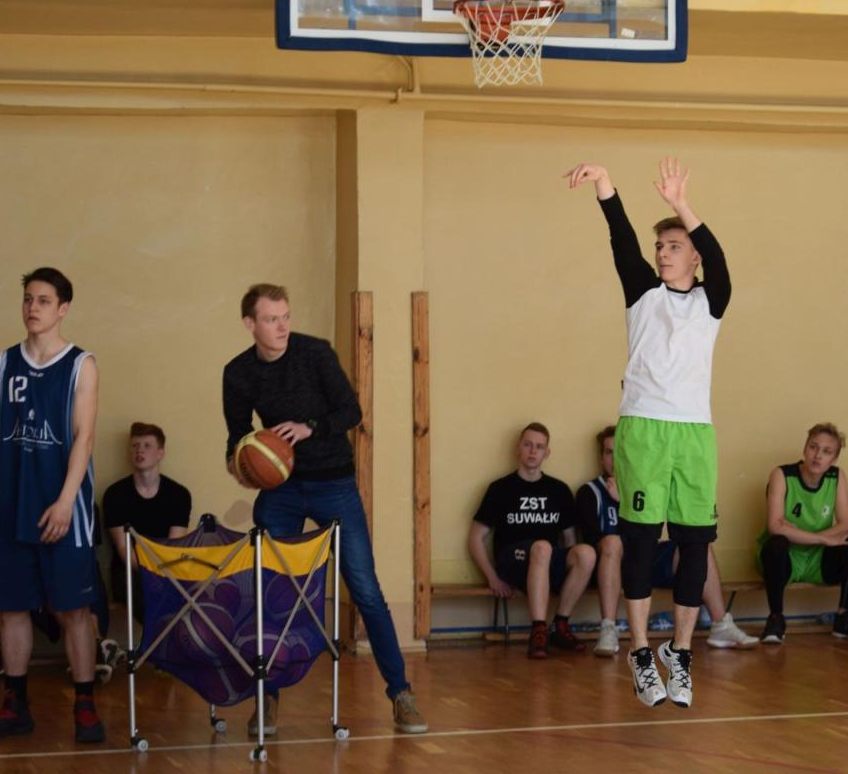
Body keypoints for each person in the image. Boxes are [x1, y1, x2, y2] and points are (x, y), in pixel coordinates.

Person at [223, 283, 426, 736]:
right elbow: (237, 437)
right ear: (249, 324)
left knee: (366, 590)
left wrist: (309, 427)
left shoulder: (314, 353)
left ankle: (401, 693)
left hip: (334, 483)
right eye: (271, 319)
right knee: (268, 592)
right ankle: (266, 698)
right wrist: (240, 466)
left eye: (285, 317)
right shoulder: (237, 372)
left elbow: (351, 411)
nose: (281, 326)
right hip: (281, 489)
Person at [565, 157, 729, 709]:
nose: (663, 253)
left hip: (695, 434)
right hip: (644, 429)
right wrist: (605, 185)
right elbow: (621, 239)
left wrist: (681, 204)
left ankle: (679, 652)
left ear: (694, 256)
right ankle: (640, 652)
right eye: (661, 246)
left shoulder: (711, 301)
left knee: (695, 545)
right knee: (639, 541)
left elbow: (721, 258)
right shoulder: (642, 293)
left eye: (675, 246)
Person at [0, 267, 105, 743]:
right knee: (12, 609)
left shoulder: (82, 364)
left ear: (63, 309)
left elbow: (85, 439)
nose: (32, 307)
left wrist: (65, 502)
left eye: (43, 300)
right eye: (27, 298)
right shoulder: (1, 364)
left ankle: (85, 706)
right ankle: (15, 705)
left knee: (74, 610)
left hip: (64, 509)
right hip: (15, 507)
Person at [577, 425, 757, 657]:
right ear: (601, 458)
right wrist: (622, 504)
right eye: (609, 452)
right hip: (612, 565)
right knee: (613, 542)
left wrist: (625, 499)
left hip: (647, 558)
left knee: (697, 545)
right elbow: (592, 541)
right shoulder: (590, 491)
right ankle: (608, 628)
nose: (615, 459)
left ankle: (720, 624)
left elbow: (661, 530)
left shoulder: (650, 484)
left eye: (619, 452)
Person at [470, 423, 595, 659]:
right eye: (528, 445)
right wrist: (492, 577)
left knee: (586, 552)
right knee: (542, 546)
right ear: (518, 448)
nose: (533, 451)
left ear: (547, 453)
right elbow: (475, 537)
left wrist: (568, 575)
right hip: (513, 562)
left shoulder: (559, 490)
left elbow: (569, 540)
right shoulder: (500, 488)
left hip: (547, 562)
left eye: (539, 447)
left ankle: (560, 625)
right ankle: (538, 629)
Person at [758, 423, 848, 645]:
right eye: (813, 447)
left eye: (827, 451)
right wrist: (822, 538)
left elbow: (846, 523)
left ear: (834, 459)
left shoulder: (837, 477)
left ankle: (844, 617)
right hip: (787, 557)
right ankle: (776, 619)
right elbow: (775, 527)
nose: (818, 455)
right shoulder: (782, 474)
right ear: (805, 448)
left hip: (818, 559)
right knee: (776, 543)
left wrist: (797, 533)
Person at [104, 421, 192, 624]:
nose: (139, 450)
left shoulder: (179, 495)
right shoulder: (114, 495)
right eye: (135, 445)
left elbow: (173, 547)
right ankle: (160, 637)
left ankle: (172, 637)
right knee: (148, 595)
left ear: (160, 453)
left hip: (167, 568)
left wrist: (161, 573)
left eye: (147, 445)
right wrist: (151, 574)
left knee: (192, 588)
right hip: (130, 571)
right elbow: (124, 550)